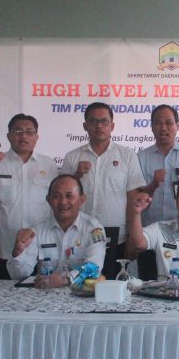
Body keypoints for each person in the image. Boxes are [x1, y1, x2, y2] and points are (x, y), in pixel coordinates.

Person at [61, 102, 145, 279]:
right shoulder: (72, 157)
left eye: (104, 121)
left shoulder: (127, 155)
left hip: (117, 238)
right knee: (77, 285)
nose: (99, 126)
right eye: (93, 121)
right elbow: (63, 197)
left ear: (112, 126)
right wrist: (77, 175)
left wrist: (132, 236)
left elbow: (133, 198)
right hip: (80, 237)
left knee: (114, 287)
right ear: (85, 126)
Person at [0, 114, 58, 280]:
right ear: (9, 136)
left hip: (41, 248)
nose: (24, 136)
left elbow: (56, 204)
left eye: (29, 132)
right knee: (4, 294)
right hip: (5, 248)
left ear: (36, 137)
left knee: (42, 293)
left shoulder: (48, 164)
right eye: (18, 131)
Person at [136, 105, 179, 279]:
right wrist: (153, 185)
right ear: (152, 127)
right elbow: (136, 197)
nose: (163, 128)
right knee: (149, 285)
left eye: (168, 123)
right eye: (158, 123)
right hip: (151, 236)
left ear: (177, 126)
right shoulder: (141, 157)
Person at [7, 174, 107, 285]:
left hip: (80, 292)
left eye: (69, 196)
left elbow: (94, 267)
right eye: (56, 196)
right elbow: (18, 276)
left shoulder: (93, 229)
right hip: (44, 293)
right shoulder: (37, 231)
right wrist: (18, 252)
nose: (63, 202)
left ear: (82, 199)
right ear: (48, 200)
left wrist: (65, 279)